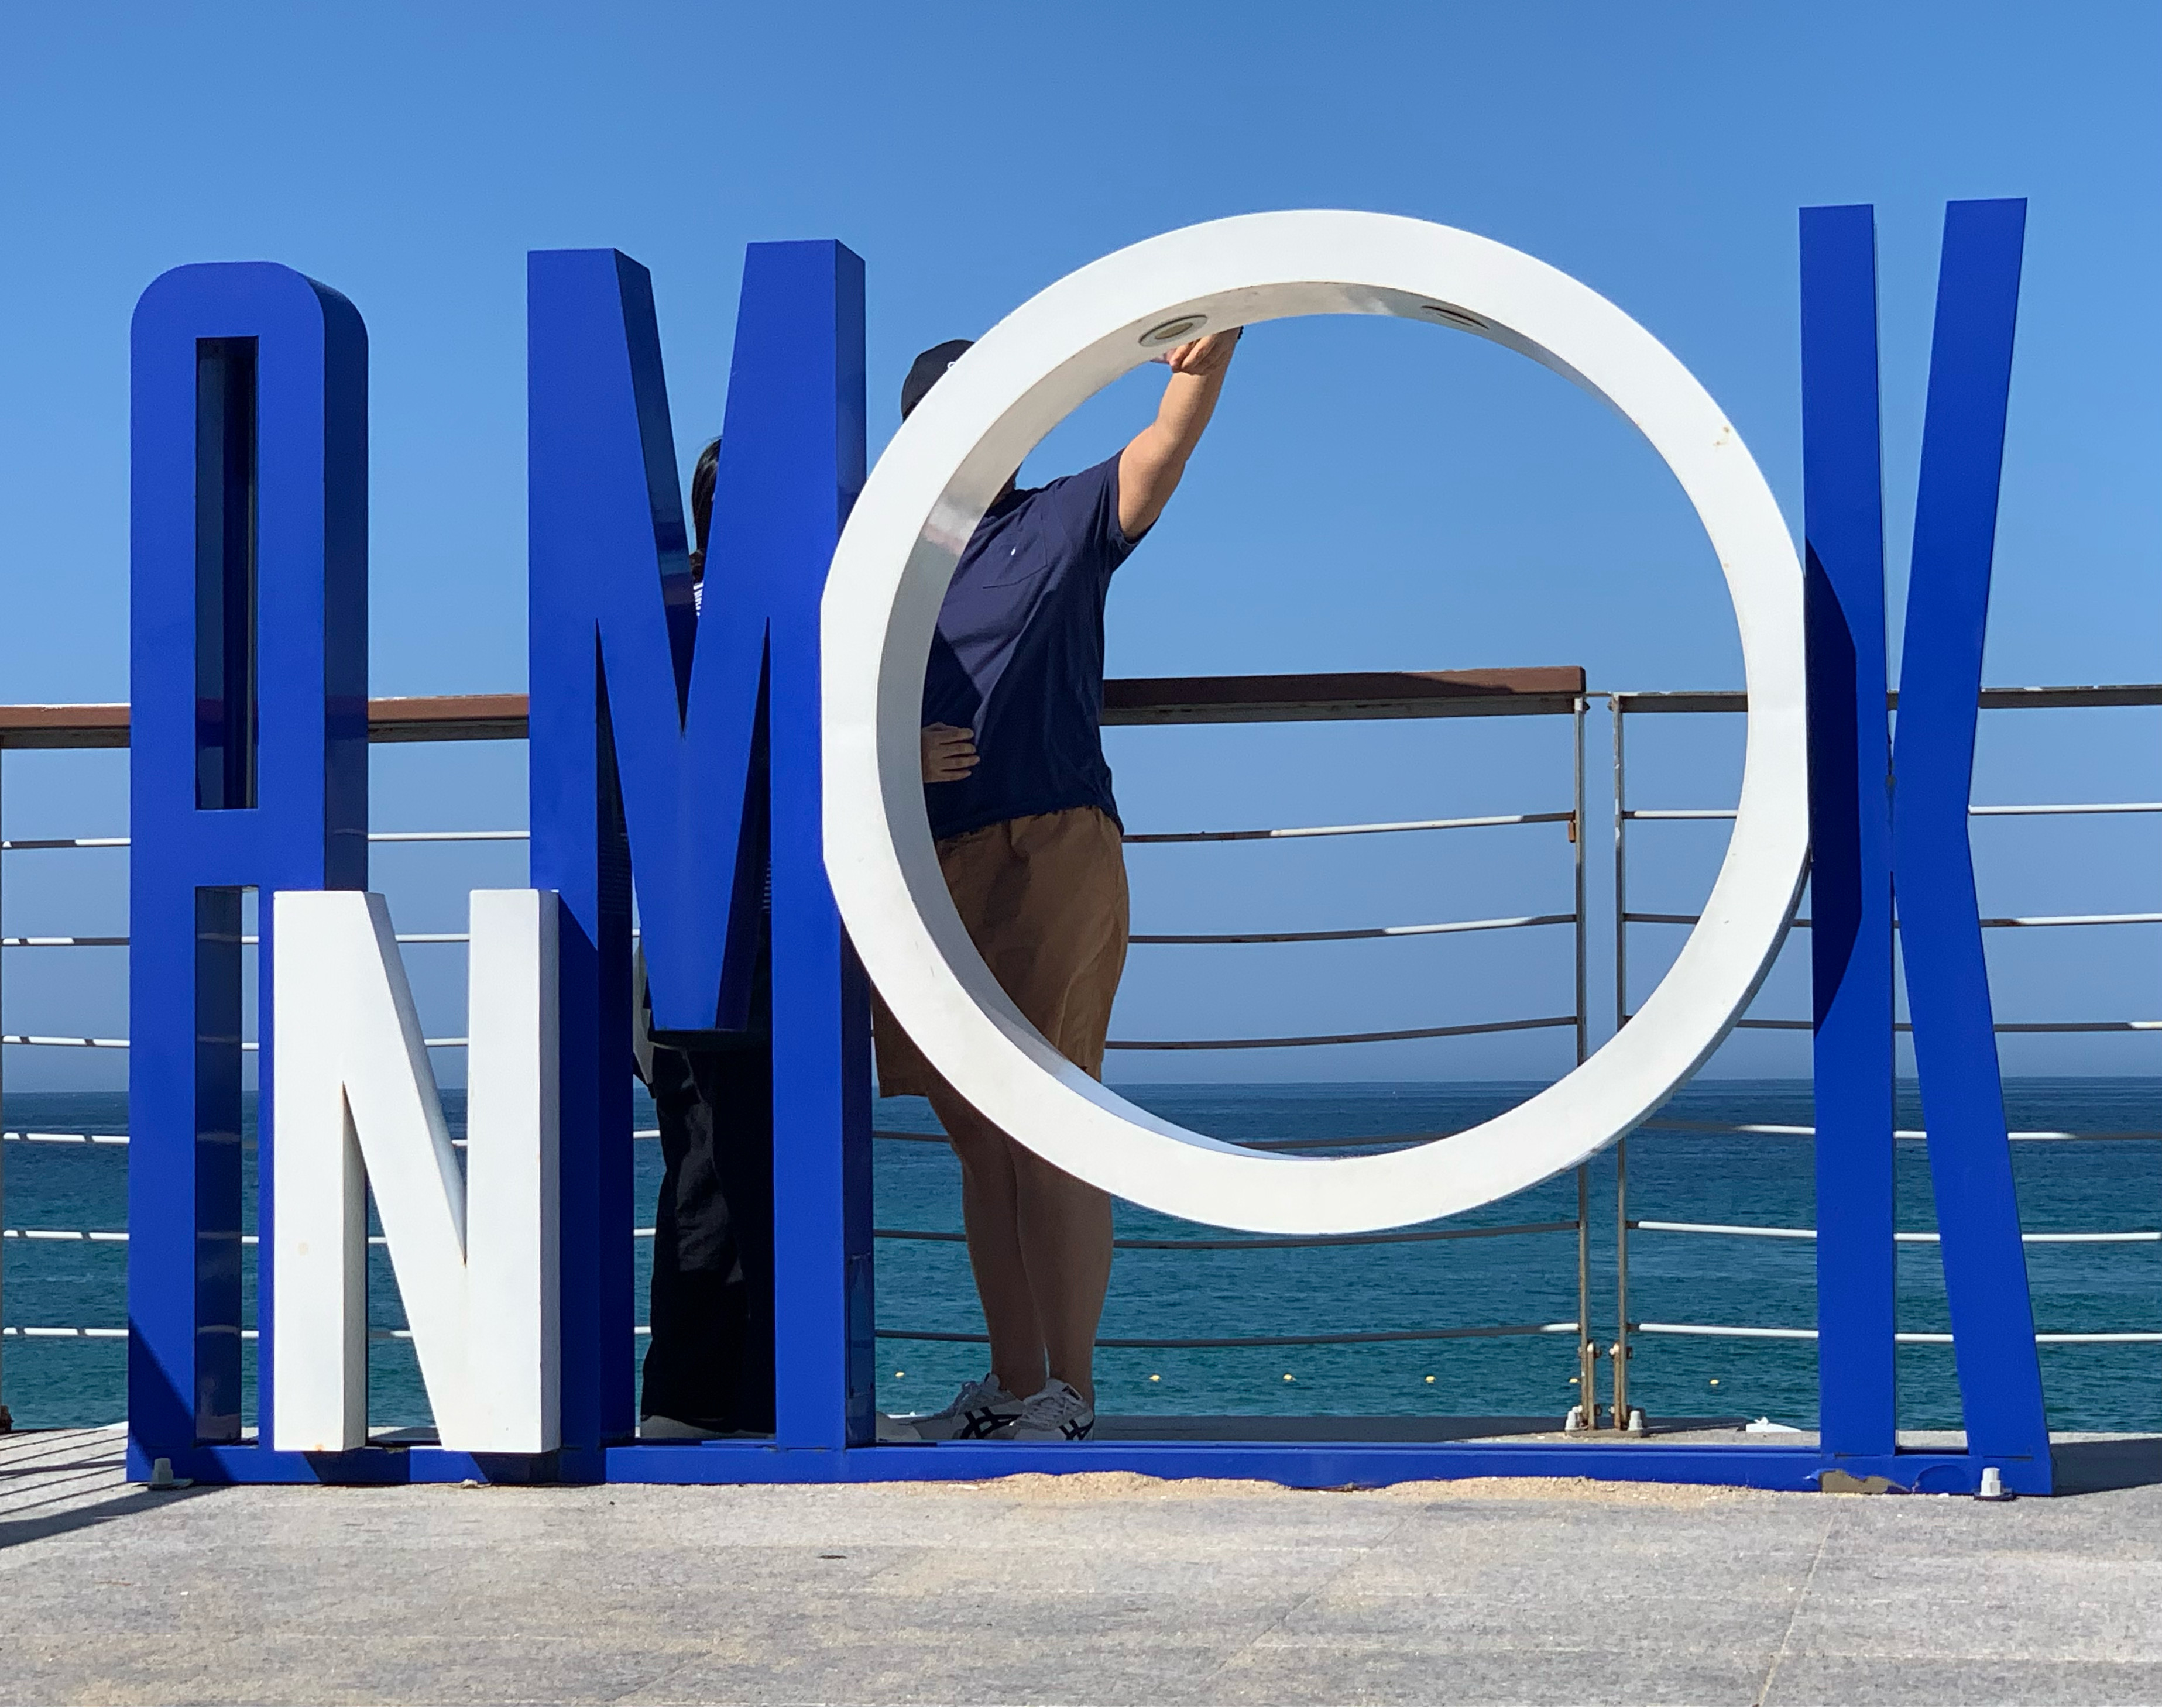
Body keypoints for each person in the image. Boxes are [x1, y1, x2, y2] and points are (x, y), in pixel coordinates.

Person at [876, 327, 1241, 1444]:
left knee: (1054, 1118)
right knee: (978, 1137)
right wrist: (890, 751)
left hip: (1050, 847)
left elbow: (1164, 446)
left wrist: (1210, 352)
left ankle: (1067, 1396)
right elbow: (816, 704)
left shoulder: (1062, 517)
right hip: (916, 862)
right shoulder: (875, 563)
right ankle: (1011, 1384)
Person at [637, 437, 777, 1440]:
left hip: (691, 926)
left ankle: (697, 1396)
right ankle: (739, 1393)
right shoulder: (792, 617)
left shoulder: (665, 618)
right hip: (754, 929)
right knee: (737, 1166)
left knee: (704, 1165)